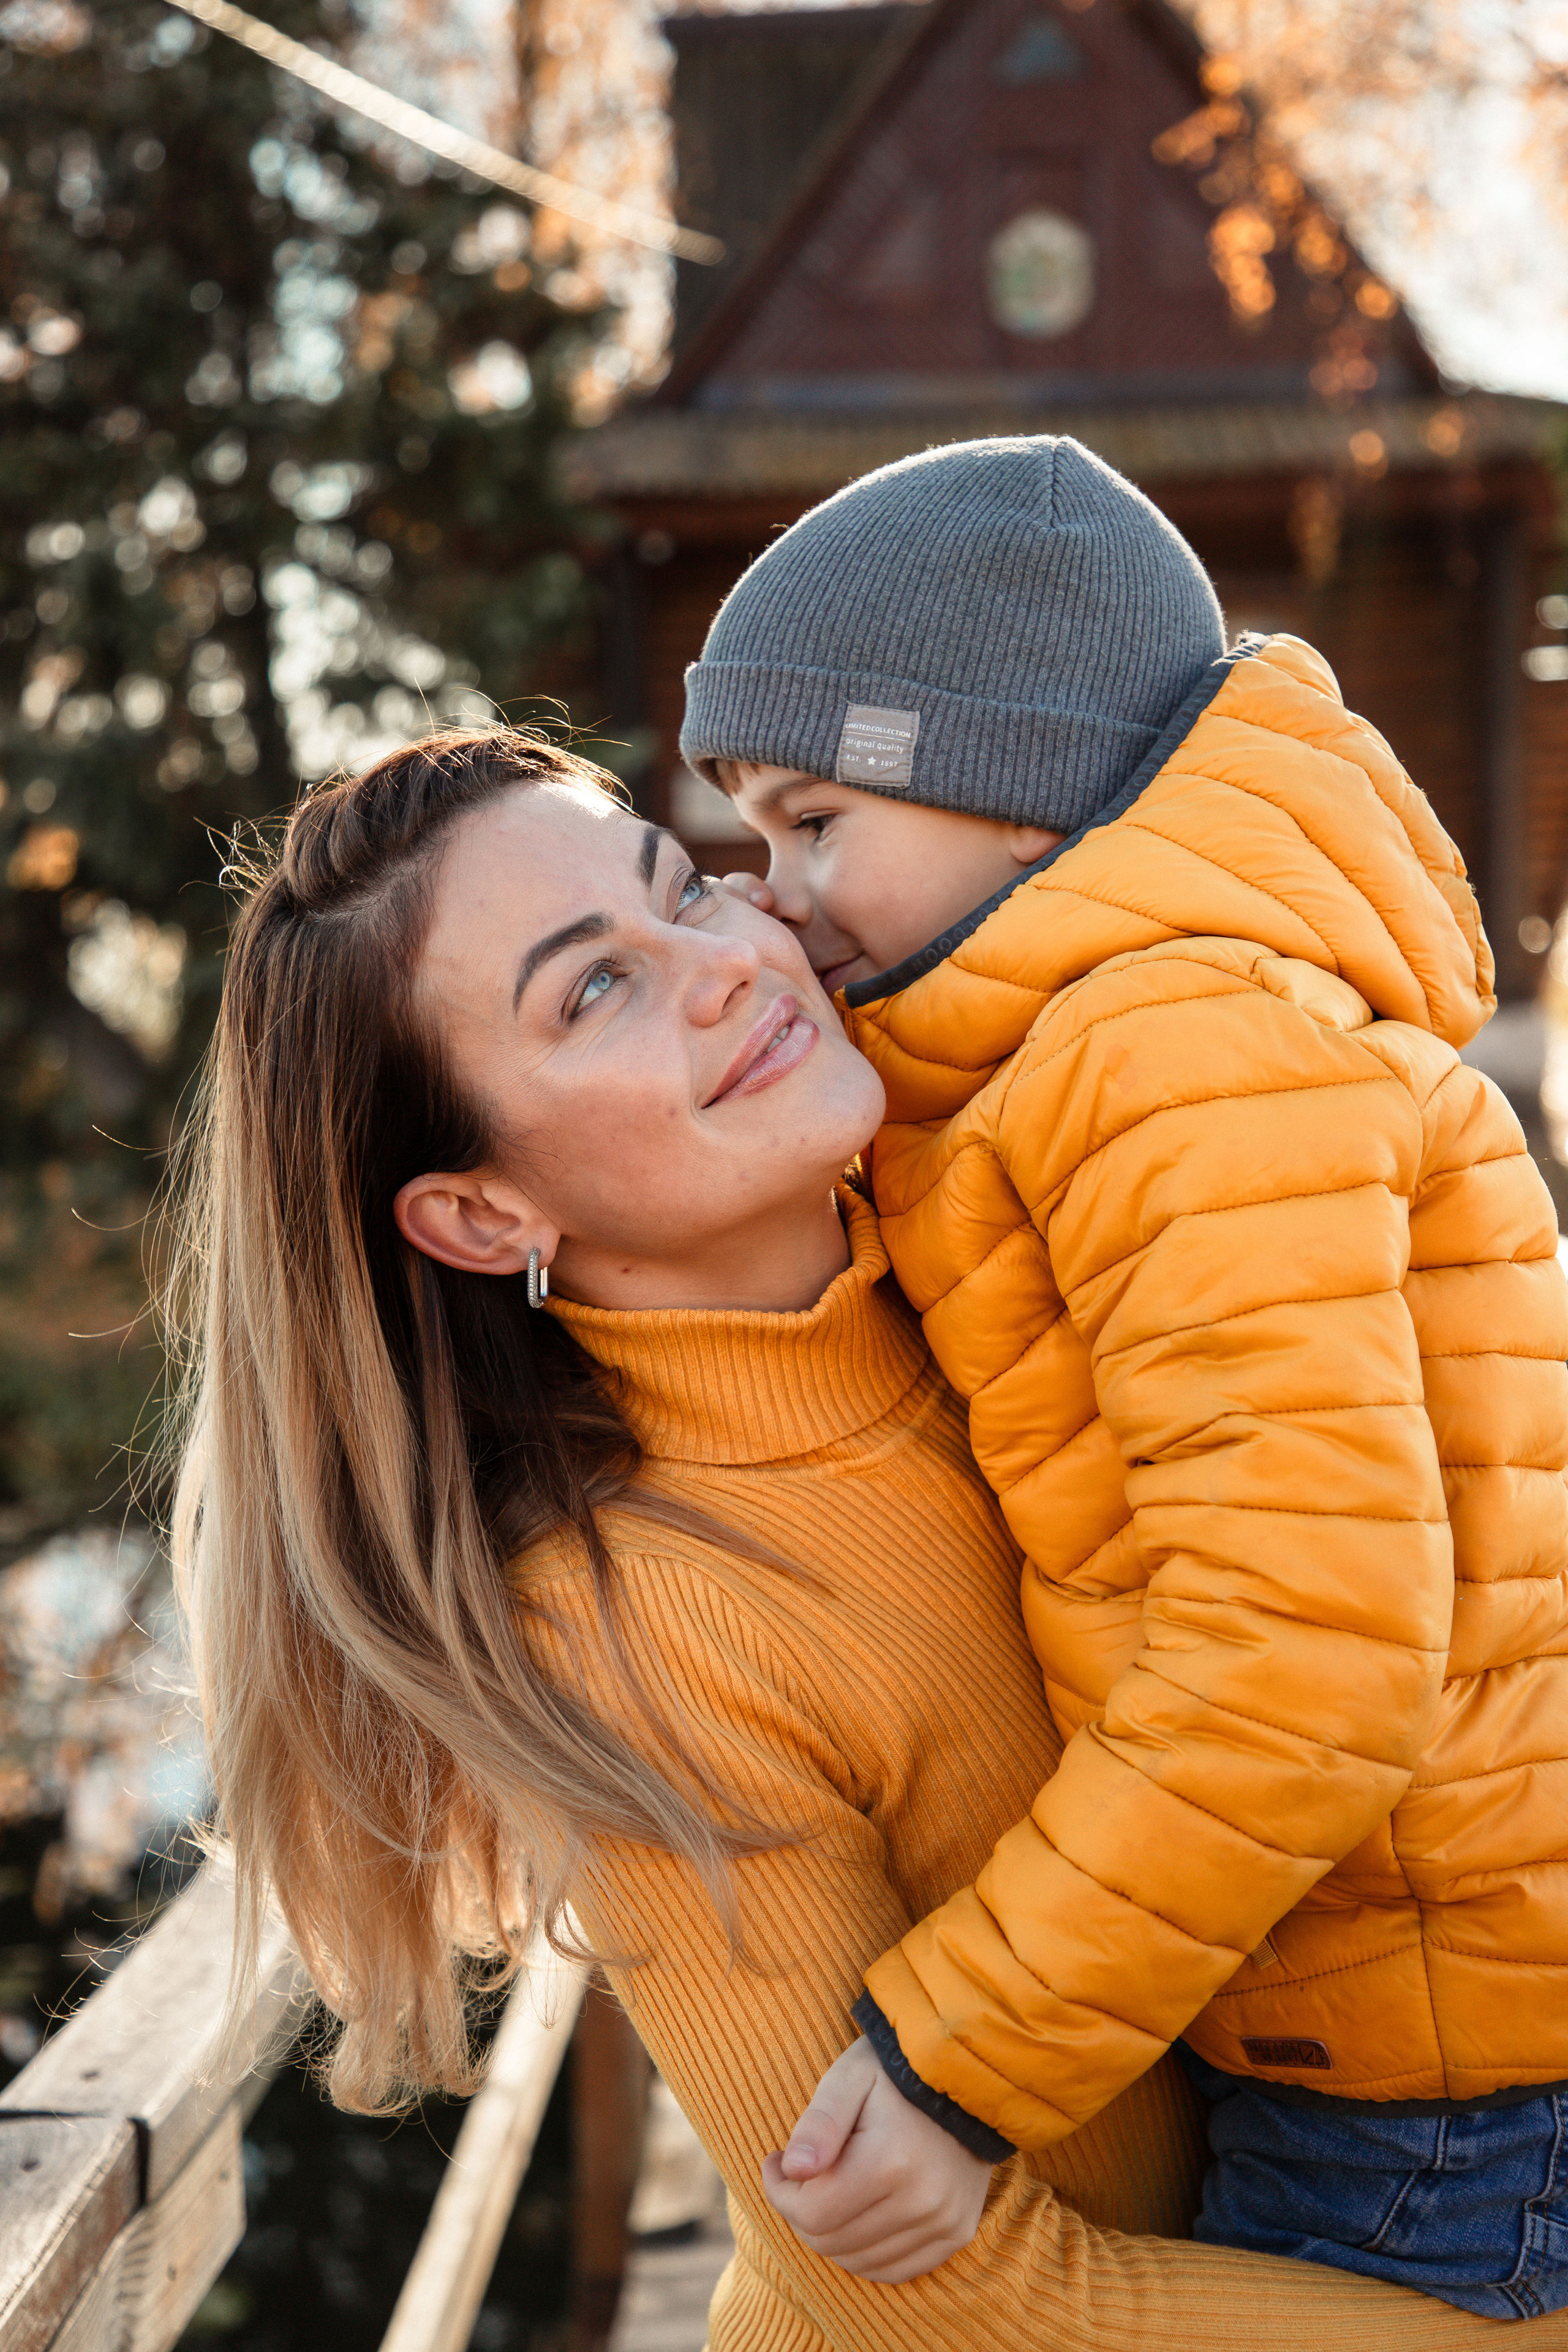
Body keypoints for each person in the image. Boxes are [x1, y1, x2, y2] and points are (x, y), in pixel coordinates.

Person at [168, 729, 1504, 2351]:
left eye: (691, 894)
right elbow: (950, 2315)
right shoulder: (632, 1626)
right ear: (482, 1218)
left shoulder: (1024, 1248)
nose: (725, 967)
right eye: (593, 990)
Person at [679, 435, 1568, 2321]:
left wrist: (959, 2063)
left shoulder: (1167, 1060)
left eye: (812, 820)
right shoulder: (1084, 1063)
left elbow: (1305, 1637)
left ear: (1015, 794)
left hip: (1447, 2089)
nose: (778, 899)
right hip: (1403, 2016)